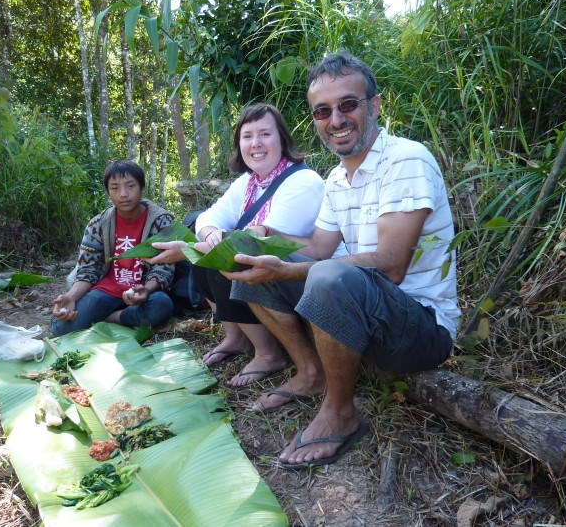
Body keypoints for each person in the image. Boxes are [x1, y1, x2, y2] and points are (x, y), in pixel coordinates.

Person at [224, 52, 461, 468]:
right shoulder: (337, 176)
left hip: (421, 326)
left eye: (348, 104)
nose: (336, 119)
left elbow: (390, 265)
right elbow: (317, 247)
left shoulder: (405, 159)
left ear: (375, 104)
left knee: (328, 277)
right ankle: (311, 371)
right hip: (366, 312)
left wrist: (290, 268)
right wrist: (267, 238)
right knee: (254, 263)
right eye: (323, 111)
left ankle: (340, 412)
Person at [147, 103, 340, 388]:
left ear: (282, 139)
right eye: (247, 136)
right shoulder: (249, 183)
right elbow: (208, 218)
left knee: (232, 256)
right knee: (198, 231)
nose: (256, 144)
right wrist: (209, 232)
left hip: (311, 277)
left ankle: (268, 353)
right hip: (272, 270)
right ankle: (237, 337)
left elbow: (261, 244)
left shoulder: (303, 182)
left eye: (265, 134)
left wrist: (192, 247)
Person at [50, 160, 175, 337]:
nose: (123, 194)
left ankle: (112, 317)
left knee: (161, 306)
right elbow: (88, 269)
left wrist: (146, 289)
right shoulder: (98, 224)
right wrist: (71, 297)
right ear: (108, 192)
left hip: (142, 292)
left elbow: (164, 268)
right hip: (106, 291)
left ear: (142, 188)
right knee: (60, 328)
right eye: (115, 188)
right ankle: (125, 317)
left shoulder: (162, 222)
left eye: (130, 186)